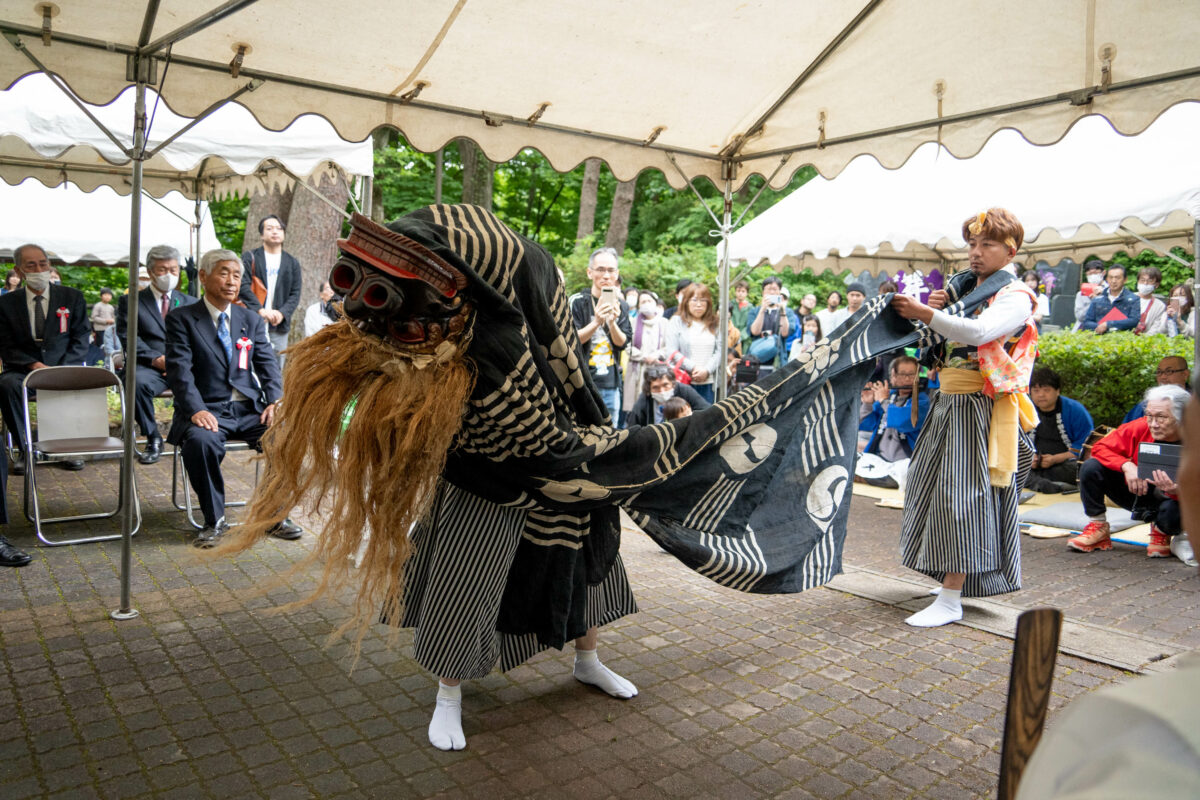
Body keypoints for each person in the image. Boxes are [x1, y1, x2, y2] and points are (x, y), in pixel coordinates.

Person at [890, 208, 1038, 627]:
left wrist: (927, 313)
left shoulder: (1015, 295)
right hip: (948, 404)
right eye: (972, 244)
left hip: (980, 410)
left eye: (986, 244)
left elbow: (977, 333)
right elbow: (941, 343)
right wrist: (936, 312)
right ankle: (953, 583)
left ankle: (952, 597)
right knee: (930, 489)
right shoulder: (962, 291)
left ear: (1011, 251)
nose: (975, 252)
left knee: (963, 501)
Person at [166, 249, 303, 547]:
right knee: (202, 443)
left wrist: (274, 401)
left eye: (237, 275)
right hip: (207, 408)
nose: (231, 281)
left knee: (287, 437)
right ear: (203, 276)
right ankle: (214, 521)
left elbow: (266, 363)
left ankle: (274, 517)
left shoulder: (250, 319)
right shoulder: (182, 319)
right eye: (224, 272)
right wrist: (195, 409)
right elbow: (179, 370)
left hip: (248, 407)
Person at [1067, 384, 1188, 558]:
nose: (1153, 424)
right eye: (1149, 416)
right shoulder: (1141, 426)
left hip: (1174, 502)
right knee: (1091, 467)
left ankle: (1161, 531)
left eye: (1162, 417)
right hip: (1138, 492)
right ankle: (1098, 526)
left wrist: (1179, 491)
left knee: (1175, 509)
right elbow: (1100, 448)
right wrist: (1127, 465)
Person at [0, 243, 90, 474]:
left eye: (43, 263)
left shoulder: (72, 297)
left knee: (74, 384)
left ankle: (68, 448)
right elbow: (4, 343)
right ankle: (25, 449)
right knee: (6, 385)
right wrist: (35, 366)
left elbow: (81, 336)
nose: (39, 269)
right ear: (19, 271)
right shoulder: (6, 303)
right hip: (24, 368)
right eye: (31, 265)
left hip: (64, 365)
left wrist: (61, 368)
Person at [116, 245, 199, 464]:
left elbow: (198, 339)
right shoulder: (131, 301)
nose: (169, 275)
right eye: (163, 270)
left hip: (183, 366)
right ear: (151, 272)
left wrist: (176, 363)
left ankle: (197, 434)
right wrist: (156, 359)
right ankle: (153, 437)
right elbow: (128, 336)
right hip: (149, 366)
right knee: (135, 382)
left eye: (173, 269)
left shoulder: (191, 302)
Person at [568, 247, 632, 422]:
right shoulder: (577, 302)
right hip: (582, 381)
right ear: (590, 273)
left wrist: (612, 322)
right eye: (601, 270)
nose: (606, 275)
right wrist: (596, 322)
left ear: (617, 274)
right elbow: (570, 340)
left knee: (611, 434)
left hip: (611, 383)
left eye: (611, 270)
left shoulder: (622, 306)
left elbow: (623, 343)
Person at [855, 355, 929, 489]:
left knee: (905, 471)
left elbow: (903, 422)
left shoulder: (922, 400)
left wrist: (884, 401)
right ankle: (872, 477)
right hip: (879, 460)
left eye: (912, 374)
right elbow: (865, 425)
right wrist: (867, 403)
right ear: (893, 376)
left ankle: (869, 478)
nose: (908, 379)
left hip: (903, 463)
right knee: (852, 457)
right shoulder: (891, 396)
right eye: (902, 374)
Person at [238, 215, 303, 366]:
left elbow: (295, 293)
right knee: (247, 363)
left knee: (275, 366)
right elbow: (243, 286)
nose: (275, 232)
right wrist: (260, 310)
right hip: (251, 321)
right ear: (262, 234)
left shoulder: (292, 263)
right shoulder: (250, 257)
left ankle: (273, 391)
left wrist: (282, 313)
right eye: (269, 228)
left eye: (279, 228)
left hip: (278, 325)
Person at [1026, 367, 1093, 493]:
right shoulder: (1025, 410)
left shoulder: (1075, 410)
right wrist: (1029, 458)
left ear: (1057, 391)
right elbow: (1015, 443)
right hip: (1033, 463)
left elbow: (1086, 446)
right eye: (1036, 390)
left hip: (1065, 462)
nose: (1041, 395)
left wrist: (1054, 459)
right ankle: (1048, 485)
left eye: (1046, 390)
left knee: (1084, 469)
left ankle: (1039, 483)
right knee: (1014, 468)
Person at [666, 283, 722, 403]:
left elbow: (720, 351)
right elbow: (671, 351)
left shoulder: (715, 323)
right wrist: (693, 367)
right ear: (686, 302)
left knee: (706, 418)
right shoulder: (676, 321)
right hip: (683, 381)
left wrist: (706, 370)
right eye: (694, 300)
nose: (698, 304)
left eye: (703, 300)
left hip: (709, 382)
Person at [622, 290, 669, 425]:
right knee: (636, 408)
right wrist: (643, 356)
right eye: (643, 301)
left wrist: (656, 355)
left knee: (658, 407)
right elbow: (627, 345)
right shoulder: (632, 322)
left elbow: (669, 346)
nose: (646, 304)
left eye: (649, 301)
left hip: (659, 369)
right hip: (637, 370)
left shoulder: (664, 323)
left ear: (656, 303)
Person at [625, 364, 711, 426]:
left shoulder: (684, 391)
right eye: (655, 387)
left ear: (673, 384)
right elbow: (633, 427)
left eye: (665, 385)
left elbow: (707, 412)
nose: (662, 391)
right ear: (649, 389)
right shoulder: (644, 399)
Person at [1124, 355, 1190, 422]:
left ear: (1185, 374)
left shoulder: (1195, 403)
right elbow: (1125, 429)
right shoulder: (1146, 404)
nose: (1163, 377)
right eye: (1159, 372)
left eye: (1169, 371)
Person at [1081, 263, 1139, 333]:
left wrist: (1108, 325)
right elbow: (1087, 322)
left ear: (1125, 279)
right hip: (1098, 338)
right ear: (1106, 279)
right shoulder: (1098, 298)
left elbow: (1134, 321)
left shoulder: (1133, 299)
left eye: (1117, 278)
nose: (1113, 281)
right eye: (1111, 277)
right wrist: (1100, 327)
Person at [747, 276, 790, 366]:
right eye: (768, 289)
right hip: (757, 358)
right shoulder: (754, 311)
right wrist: (763, 309)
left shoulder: (788, 312)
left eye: (775, 289)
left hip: (778, 359)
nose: (772, 292)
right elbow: (755, 331)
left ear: (779, 292)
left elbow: (784, 333)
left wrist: (782, 311)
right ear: (763, 292)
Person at [1131, 266, 1167, 335]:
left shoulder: (1159, 306)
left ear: (1156, 285)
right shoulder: (1128, 298)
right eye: (1142, 280)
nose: (1145, 283)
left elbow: (1156, 328)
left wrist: (1142, 340)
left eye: (1149, 281)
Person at [1072, 259, 1107, 330]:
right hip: (1083, 330)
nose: (1092, 276)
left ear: (1103, 273)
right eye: (1090, 274)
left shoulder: (1110, 290)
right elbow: (1080, 317)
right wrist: (1093, 301)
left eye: (1095, 273)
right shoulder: (1081, 294)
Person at [729, 280, 752, 349]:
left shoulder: (750, 307)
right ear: (735, 292)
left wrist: (740, 336)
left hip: (745, 339)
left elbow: (750, 324)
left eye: (743, 291)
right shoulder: (730, 304)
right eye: (738, 291)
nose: (740, 293)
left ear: (747, 293)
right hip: (730, 336)